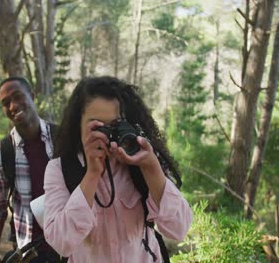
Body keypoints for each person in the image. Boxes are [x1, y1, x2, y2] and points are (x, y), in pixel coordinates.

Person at [43, 76, 192, 262]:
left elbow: (179, 229)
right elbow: (61, 242)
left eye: (115, 125)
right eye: (97, 126)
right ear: (78, 125)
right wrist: (91, 175)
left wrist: (152, 167)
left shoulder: (142, 162)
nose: (106, 135)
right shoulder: (59, 169)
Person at [0, 77, 59, 263]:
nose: (12, 106)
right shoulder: (2, 154)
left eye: (18, 97)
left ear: (32, 96)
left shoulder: (63, 139)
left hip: (71, 249)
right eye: (5, 103)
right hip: (30, 253)